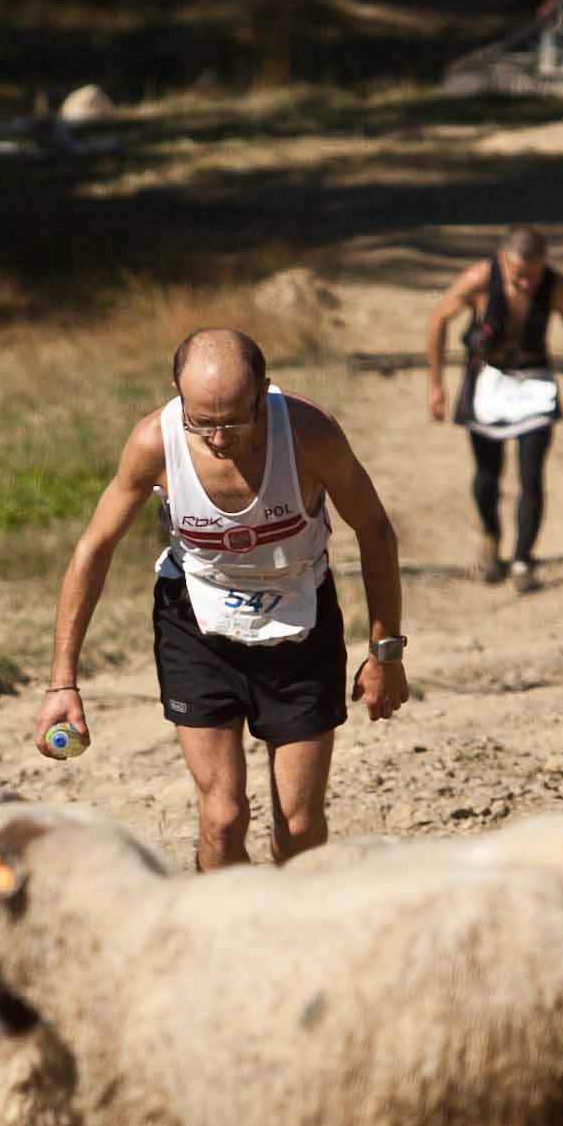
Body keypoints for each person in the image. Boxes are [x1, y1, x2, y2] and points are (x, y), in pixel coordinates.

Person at [33, 328, 408, 870]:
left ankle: (295, 918)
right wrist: (62, 683)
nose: (217, 437)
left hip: (299, 620)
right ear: (178, 394)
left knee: (299, 825)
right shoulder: (154, 443)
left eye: (233, 421)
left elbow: (374, 529)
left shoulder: (308, 434)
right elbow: (94, 548)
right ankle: (221, 921)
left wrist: (385, 653)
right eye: (201, 421)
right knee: (223, 817)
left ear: (263, 392)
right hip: (197, 626)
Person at [424, 225, 563, 592]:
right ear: (503, 261)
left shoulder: (557, 286)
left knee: (531, 474)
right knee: (487, 473)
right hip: (488, 380)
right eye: (518, 275)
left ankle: (522, 559)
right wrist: (436, 384)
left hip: (534, 382)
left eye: (534, 275)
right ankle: (490, 538)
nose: (526, 284)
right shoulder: (479, 279)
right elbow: (438, 319)